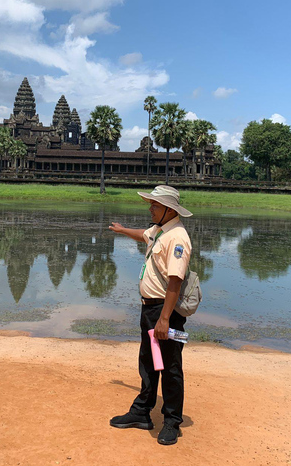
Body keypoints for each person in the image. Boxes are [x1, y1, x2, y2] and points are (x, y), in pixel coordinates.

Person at [107, 185, 193, 445]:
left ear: (169, 210)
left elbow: (175, 283)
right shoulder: (159, 231)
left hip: (165, 310)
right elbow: (143, 236)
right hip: (150, 309)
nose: (150, 208)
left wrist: (165, 319)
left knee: (170, 367)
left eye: (154, 205)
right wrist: (122, 231)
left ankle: (171, 421)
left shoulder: (177, 237)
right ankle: (142, 411)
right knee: (148, 361)